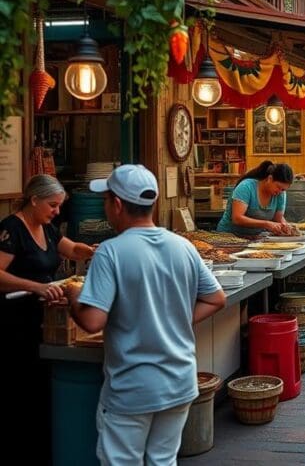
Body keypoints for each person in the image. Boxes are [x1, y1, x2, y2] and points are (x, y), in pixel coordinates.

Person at [65, 164, 226, 464]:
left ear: (116, 204)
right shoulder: (183, 247)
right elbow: (216, 298)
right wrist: (174, 318)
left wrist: (74, 296)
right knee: (163, 460)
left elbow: (92, 321)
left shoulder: (109, 252)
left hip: (132, 388)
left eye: (106, 200)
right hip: (179, 382)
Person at [0, 175, 96, 464]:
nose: (57, 212)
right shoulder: (11, 229)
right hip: (15, 320)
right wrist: (36, 286)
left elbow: (71, 248)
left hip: (44, 316)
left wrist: (93, 251)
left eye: (59, 206)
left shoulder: (48, 228)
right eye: (53, 205)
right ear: (34, 200)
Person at [217, 161, 294, 236]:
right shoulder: (246, 187)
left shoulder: (280, 194)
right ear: (270, 179)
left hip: (254, 237)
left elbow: (278, 218)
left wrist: (284, 226)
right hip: (228, 236)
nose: (280, 192)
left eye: (283, 189)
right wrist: (266, 224)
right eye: (278, 187)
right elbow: (237, 218)